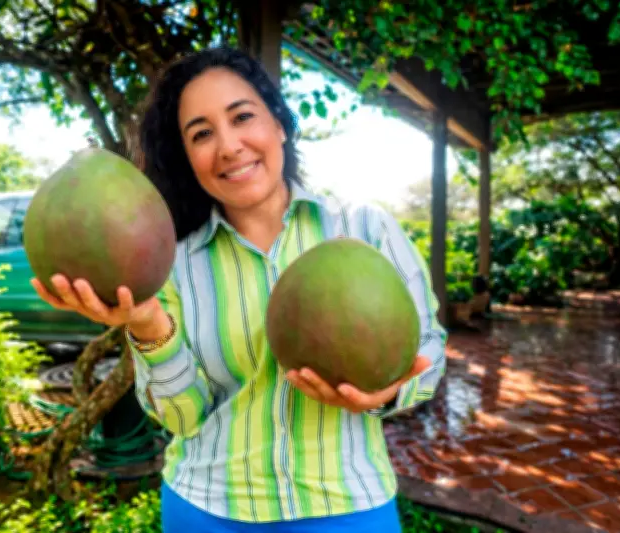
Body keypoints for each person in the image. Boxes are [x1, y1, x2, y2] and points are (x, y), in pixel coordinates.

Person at [31, 46, 447, 532]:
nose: (228, 147)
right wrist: (148, 325)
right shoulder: (172, 262)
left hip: (348, 506)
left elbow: (427, 353)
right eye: (202, 134)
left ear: (280, 125)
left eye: (242, 117)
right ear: (188, 158)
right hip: (208, 511)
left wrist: (384, 392)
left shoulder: (363, 229)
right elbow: (181, 418)